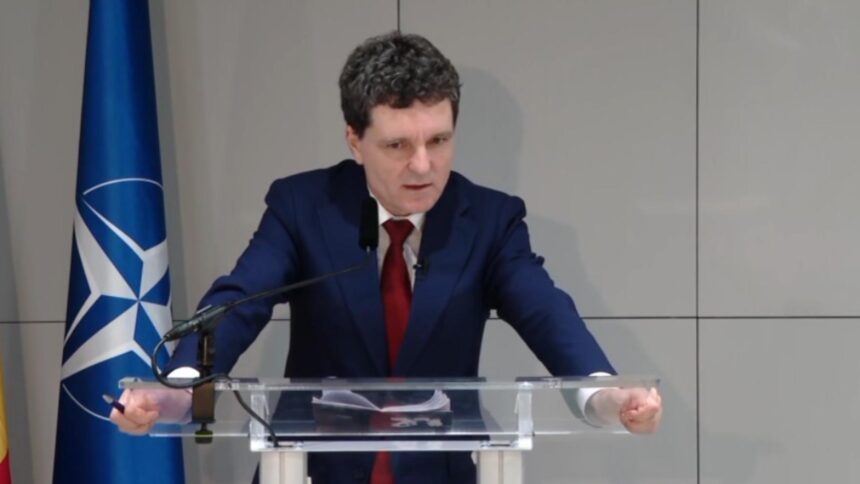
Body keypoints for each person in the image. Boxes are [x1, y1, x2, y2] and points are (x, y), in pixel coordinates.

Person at [111, 31, 662, 483]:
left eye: (439, 141)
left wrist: (606, 395)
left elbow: (545, 311)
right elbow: (240, 301)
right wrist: (179, 387)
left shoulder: (489, 220)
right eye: (398, 145)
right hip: (311, 473)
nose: (423, 166)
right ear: (355, 139)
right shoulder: (303, 206)